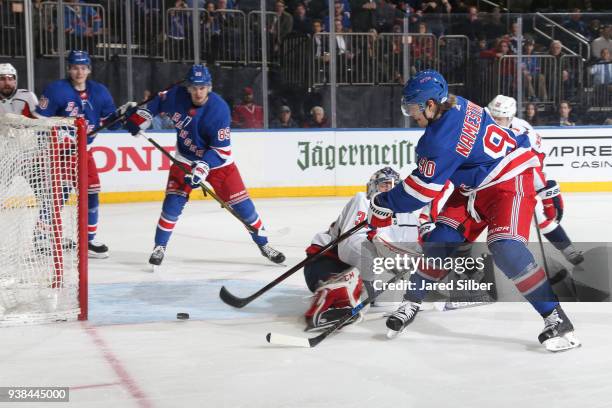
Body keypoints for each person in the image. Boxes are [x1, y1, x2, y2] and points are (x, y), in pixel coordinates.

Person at [367, 70, 580, 352]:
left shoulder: (439, 139)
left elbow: (420, 191)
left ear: (432, 105)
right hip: (474, 186)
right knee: (439, 243)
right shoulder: (455, 102)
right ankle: (411, 302)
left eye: (414, 108)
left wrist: (382, 204)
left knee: (505, 248)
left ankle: (556, 317)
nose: (411, 115)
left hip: (509, 183)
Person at [125, 65, 285, 268]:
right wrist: (140, 118)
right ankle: (159, 247)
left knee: (244, 209)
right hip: (184, 158)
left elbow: (221, 151)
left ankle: (264, 245)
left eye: (202, 87)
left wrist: (202, 168)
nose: (198, 92)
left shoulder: (219, 110)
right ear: (188, 88)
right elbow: (155, 104)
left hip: (219, 164)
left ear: (209, 87)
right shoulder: (175, 96)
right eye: (194, 87)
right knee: (172, 204)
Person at [35, 50, 126, 259]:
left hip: (85, 151)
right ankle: (41, 236)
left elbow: (111, 124)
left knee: (92, 192)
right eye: (75, 67)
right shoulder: (56, 89)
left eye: (83, 67)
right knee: (59, 193)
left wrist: (123, 115)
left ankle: (88, 239)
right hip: (60, 151)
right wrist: (54, 137)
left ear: (89, 69)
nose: (79, 71)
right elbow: (39, 120)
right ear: (69, 68)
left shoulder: (100, 91)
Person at [303, 167, 420, 331]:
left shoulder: (408, 216)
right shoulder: (363, 201)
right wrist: (386, 252)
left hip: (365, 269)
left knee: (387, 300)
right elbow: (348, 247)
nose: (390, 189)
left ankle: (350, 293)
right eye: (385, 185)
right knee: (372, 259)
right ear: (373, 187)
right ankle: (332, 293)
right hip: (326, 262)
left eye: (394, 186)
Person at [487, 94, 583, 265]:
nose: (494, 121)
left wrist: (543, 189)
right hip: (485, 183)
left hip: (514, 182)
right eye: (492, 117)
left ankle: (568, 250)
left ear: (509, 117)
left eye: (499, 118)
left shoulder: (524, 132)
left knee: (540, 217)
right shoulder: (485, 123)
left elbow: (535, 161)